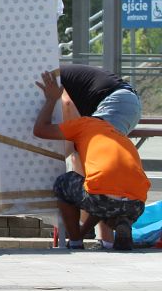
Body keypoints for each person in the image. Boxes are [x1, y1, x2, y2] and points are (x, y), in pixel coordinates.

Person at [33, 70, 148, 251]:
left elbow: (40, 130)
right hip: (136, 205)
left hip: (104, 197)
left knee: (66, 183)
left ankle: (77, 242)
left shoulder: (82, 124)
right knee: (99, 191)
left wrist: (50, 100)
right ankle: (119, 224)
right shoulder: (119, 136)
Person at [59, 64, 141, 136]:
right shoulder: (57, 72)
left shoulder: (50, 77)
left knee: (94, 145)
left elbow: (67, 104)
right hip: (124, 101)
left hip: (114, 102)